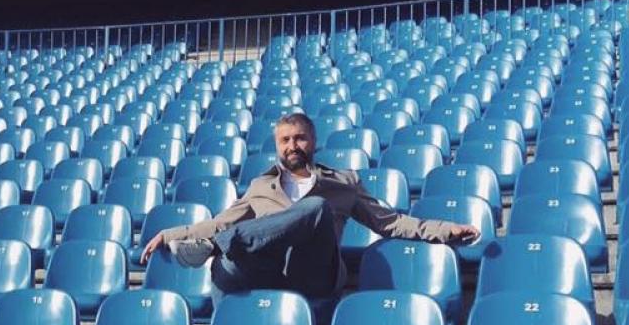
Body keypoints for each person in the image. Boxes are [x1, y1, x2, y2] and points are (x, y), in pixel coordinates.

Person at [139, 112, 481, 301]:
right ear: (277, 145)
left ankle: (216, 248)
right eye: (285, 140)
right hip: (270, 274)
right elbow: (220, 221)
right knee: (222, 268)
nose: (293, 145)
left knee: (315, 207)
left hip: (315, 274)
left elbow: (389, 222)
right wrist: (171, 234)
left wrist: (445, 230)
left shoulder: (341, 183)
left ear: (313, 141)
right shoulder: (260, 186)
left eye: (299, 137)